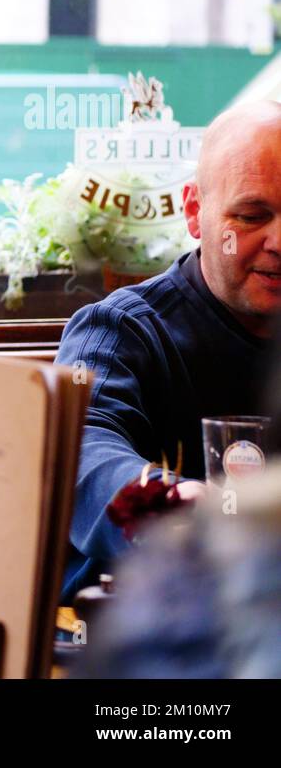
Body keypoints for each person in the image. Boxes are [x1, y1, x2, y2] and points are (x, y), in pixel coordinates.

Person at [57, 99, 281, 600]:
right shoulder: (120, 331)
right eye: (251, 215)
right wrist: (172, 503)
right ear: (195, 213)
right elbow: (78, 449)